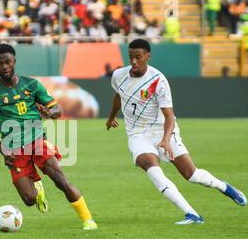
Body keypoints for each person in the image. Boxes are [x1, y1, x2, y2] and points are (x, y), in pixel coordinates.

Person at [105, 39, 246, 225]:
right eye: (130, 57)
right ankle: (192, 214)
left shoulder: (158, 80)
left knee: (191, 175)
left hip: (163, 130)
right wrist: (111, 117)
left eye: (138, 57)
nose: (134, 62)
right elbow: (118, 96)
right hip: (137, 134)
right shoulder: (118, 75)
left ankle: (224, 187)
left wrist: (165, 140)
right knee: (151, 168)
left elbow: (169, 116)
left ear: (148, 56)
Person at [0, 43, 98, 230]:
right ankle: (37, 186)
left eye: (8, 62)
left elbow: (57, 109)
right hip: (14, 150)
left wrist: (51, 113)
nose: (4, 67)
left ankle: (88, 220)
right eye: (0, 63)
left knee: (61, 180)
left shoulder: (32, 85)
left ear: (14, 62)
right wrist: (3, 150)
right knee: (29, 200)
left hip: (37, 142)